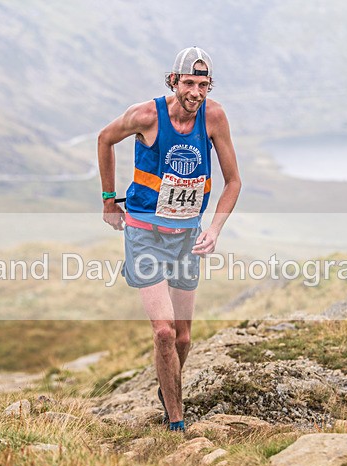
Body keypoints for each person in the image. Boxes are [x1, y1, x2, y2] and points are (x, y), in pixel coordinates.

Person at [97, 47, 242, 432]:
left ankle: (168, 387)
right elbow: (104, 139)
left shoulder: (214, 117)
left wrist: (213, 229)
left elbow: (233, 182)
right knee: (163, 331)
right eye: (189, 83)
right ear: (173, 82)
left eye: (203, 84)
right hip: (144, 232)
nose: (196, 92)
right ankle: (176, 421)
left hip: (187, 237)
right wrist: (109, 200)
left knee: (182, 337)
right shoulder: (146, 115)